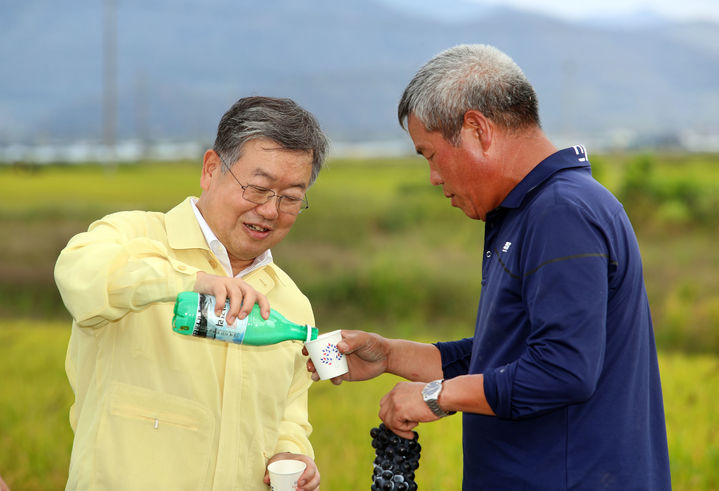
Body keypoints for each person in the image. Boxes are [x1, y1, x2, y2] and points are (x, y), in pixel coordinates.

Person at [307, 44, 671, 489]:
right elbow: (511, 355)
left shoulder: (562, 213)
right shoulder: (531, 211)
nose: (434, 179)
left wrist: (436, 396)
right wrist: (390, 355)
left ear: (477, 128)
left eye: (430, 155)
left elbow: (563, 369)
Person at [55, 96, 328, 490]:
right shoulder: (131, 236)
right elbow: (79, 274)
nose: (270, 211)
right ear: (211, 169)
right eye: (258, 189)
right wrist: (191, 282)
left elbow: (288, 409)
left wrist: (291, 451)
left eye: (290, 198)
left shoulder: (290, 303)